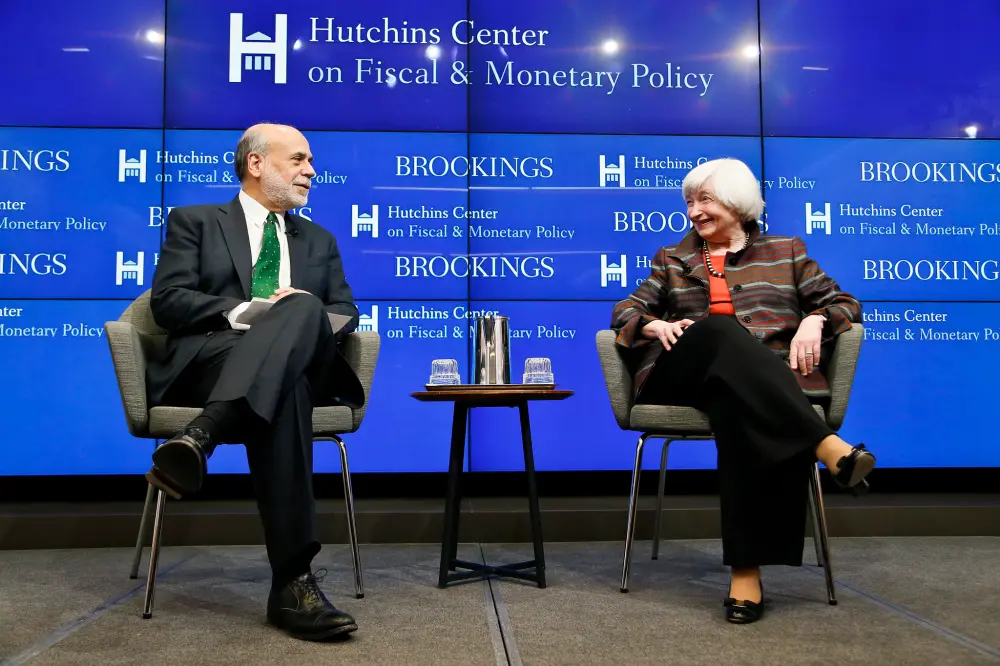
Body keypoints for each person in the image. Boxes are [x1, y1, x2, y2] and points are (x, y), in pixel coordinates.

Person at [610, 158, 876, 625]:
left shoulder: (786, 251)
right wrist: (654, 325)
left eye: (705, 200)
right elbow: (626, 309)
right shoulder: (674, 259)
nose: (694, 211)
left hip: (751, 387)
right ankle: (826, 445)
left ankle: (745, 575)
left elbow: (844, 303)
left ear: (737, 202)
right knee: (719, 331)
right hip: (682, 377)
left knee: (739, 403)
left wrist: (815, 319)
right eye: (689, 202)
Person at [145, 123, 364, 641]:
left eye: (310, 161)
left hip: (296, 361)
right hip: (212, 360)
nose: (310, 170)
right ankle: (294, 583)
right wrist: (249, 312)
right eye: (299, 159)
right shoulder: (195, 222)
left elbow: (345, 311)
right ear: (257, 164)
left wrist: (297, 321)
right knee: (286, 387)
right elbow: (168, 301)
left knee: (304, 309)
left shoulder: (319, 239)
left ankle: (201, 436)